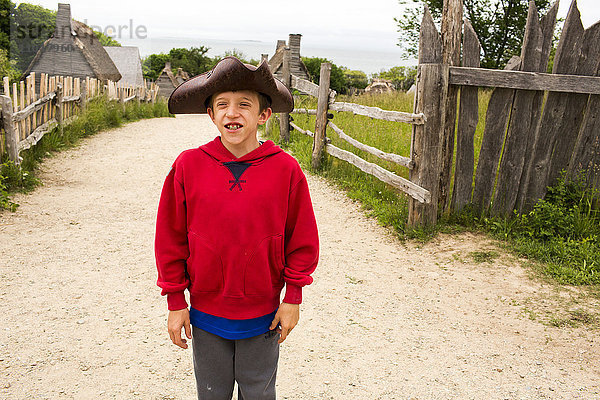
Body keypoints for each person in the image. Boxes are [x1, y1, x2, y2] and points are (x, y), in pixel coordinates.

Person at [155, 56, 319, 400]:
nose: (233, 113)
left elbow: (301, 239)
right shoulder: (188, 166)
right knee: (212, 392)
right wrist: (175, 301)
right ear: (211, 114)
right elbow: (170, 239)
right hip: (205, 313)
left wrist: (294, 297)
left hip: (263, 316)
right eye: (222, 105)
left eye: (244, 105)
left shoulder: (286, 170)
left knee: (258, 392)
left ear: (264, 115)